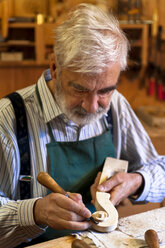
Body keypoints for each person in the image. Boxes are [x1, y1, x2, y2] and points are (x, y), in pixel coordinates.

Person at [0, 3, 165, 247]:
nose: (91, 107)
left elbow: (160, 168)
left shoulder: (115, 105)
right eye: (80, 89)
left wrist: (137, 181)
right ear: (55, 68)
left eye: (105, 90)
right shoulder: (8, 118)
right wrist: (34, 211)